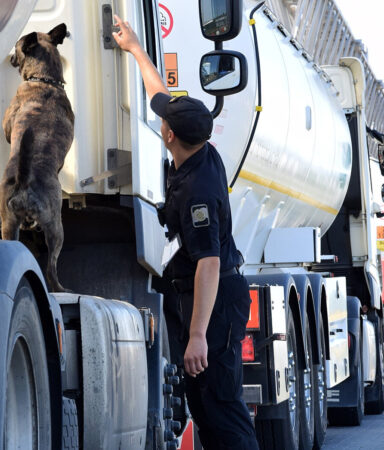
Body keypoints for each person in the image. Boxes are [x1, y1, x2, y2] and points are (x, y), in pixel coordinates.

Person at [112, 15, 258, 450]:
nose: (160, 122)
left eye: (164, 122)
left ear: (169, 135)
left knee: (220, 408)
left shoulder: (198, 191)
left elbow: (209, 264)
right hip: (202, 299)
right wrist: (136, 49)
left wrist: (197, 336)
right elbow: (160, 96)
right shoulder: (199, 150)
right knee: (206, 405)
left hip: (214, 301)